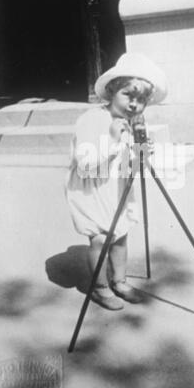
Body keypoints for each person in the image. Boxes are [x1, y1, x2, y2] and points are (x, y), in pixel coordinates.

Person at [65, 53, 167, 310]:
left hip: (117, 189)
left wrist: (141, 153)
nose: (134, 104)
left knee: (120, 235)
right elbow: (86, 164)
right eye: (128, 95)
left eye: (141, 100)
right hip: (92, 189)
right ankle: (100, 288)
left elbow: (132, 166)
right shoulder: (92, 119)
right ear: (111, 91)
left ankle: (119, 281)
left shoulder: (133, 124)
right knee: (101, 238)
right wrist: (112, 139)